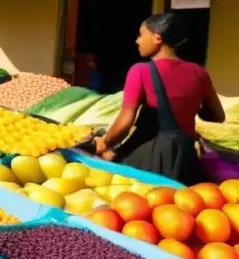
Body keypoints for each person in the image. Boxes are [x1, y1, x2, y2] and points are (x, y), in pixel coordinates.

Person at [96, 12, 225, 185]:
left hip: (149, 156)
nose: (137, 40)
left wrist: (104, 143)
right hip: (185, 158)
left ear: (157, 38)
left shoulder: (140, 70)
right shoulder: (199, 73)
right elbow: (218, 116)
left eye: (142, 35)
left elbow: (125, 121)